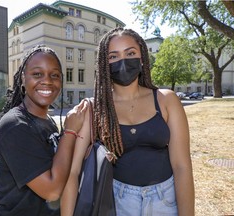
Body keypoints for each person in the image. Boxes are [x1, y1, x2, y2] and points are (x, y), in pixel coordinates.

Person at [61, 27, 195, 216]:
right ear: (103, 64)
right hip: (118, 203)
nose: (122, 61)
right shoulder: (94, 109)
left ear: (142, 59)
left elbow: (182, 167)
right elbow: (73, 174)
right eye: (113, 57)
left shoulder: (167, 100)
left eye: (130, 53)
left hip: (166, 200)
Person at [0, 45, 88, 216]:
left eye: (55, 75)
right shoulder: (15, 126)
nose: (47, 81)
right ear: (23, 78)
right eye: (37, 74)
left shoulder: (47, 121)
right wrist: (70, 131)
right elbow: (52, 191)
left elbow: (60, 163)